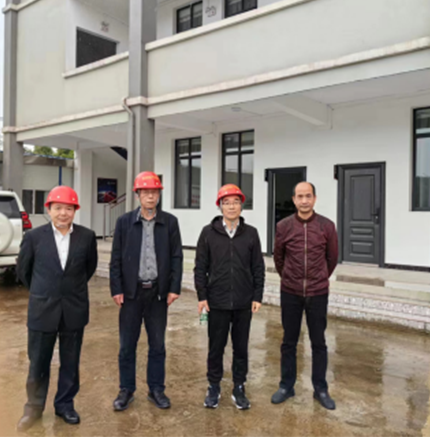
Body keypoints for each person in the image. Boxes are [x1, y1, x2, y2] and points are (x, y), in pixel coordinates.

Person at [16, 186, 98, 431]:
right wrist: (44, 291)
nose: (63, 213)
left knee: (70, 362)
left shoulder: (87, 236)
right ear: (49, 209)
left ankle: (65, 405)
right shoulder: (34, 237)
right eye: (58, 208)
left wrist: (68, 289)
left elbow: (89, 268)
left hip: (74, 308)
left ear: (75, 211)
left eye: (69, 208)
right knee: (38, 363)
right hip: (42, 309)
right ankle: (33, 408)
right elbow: (24, 271)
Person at [110, 172, 183, 411]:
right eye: (146, 192)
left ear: (159, 195)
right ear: (138, 195)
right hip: (131, 293)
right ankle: (126, 389)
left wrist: (173, 288)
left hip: (158, 294)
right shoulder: (124, 222)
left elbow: (176, 256)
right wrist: (116, 288)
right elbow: (116, 257)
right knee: (126, 345)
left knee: (157, 344)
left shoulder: (170, 222)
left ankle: (156, 389)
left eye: (154, 192)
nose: (150, 196)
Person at [194, 184, 265, 410]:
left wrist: (257, 295)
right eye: (226, 203)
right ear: (220, 206)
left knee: (241, 347)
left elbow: (258, 267)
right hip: (217, 301)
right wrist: (202, 296)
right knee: (216, 347)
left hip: (244, 301)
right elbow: (200, 267)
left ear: (241, 206)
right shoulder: (208, 233)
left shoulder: (251, 233)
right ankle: (213, 386)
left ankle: (239, 386)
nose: (231, 206)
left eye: (235, 202)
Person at [271, 182, 339, 410]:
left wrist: (318, 278)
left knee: (318, 342)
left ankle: (320, 389)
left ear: (314, 199)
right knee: (288, 341)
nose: (304, 201)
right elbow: (279, 258)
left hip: (317, 293)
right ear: (294, 200)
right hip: (290, 292)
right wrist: (290, 277)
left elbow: (332, 258)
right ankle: (286, 386)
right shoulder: (283, 226)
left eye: (308, 196)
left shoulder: (327, 226)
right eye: (299, 197)